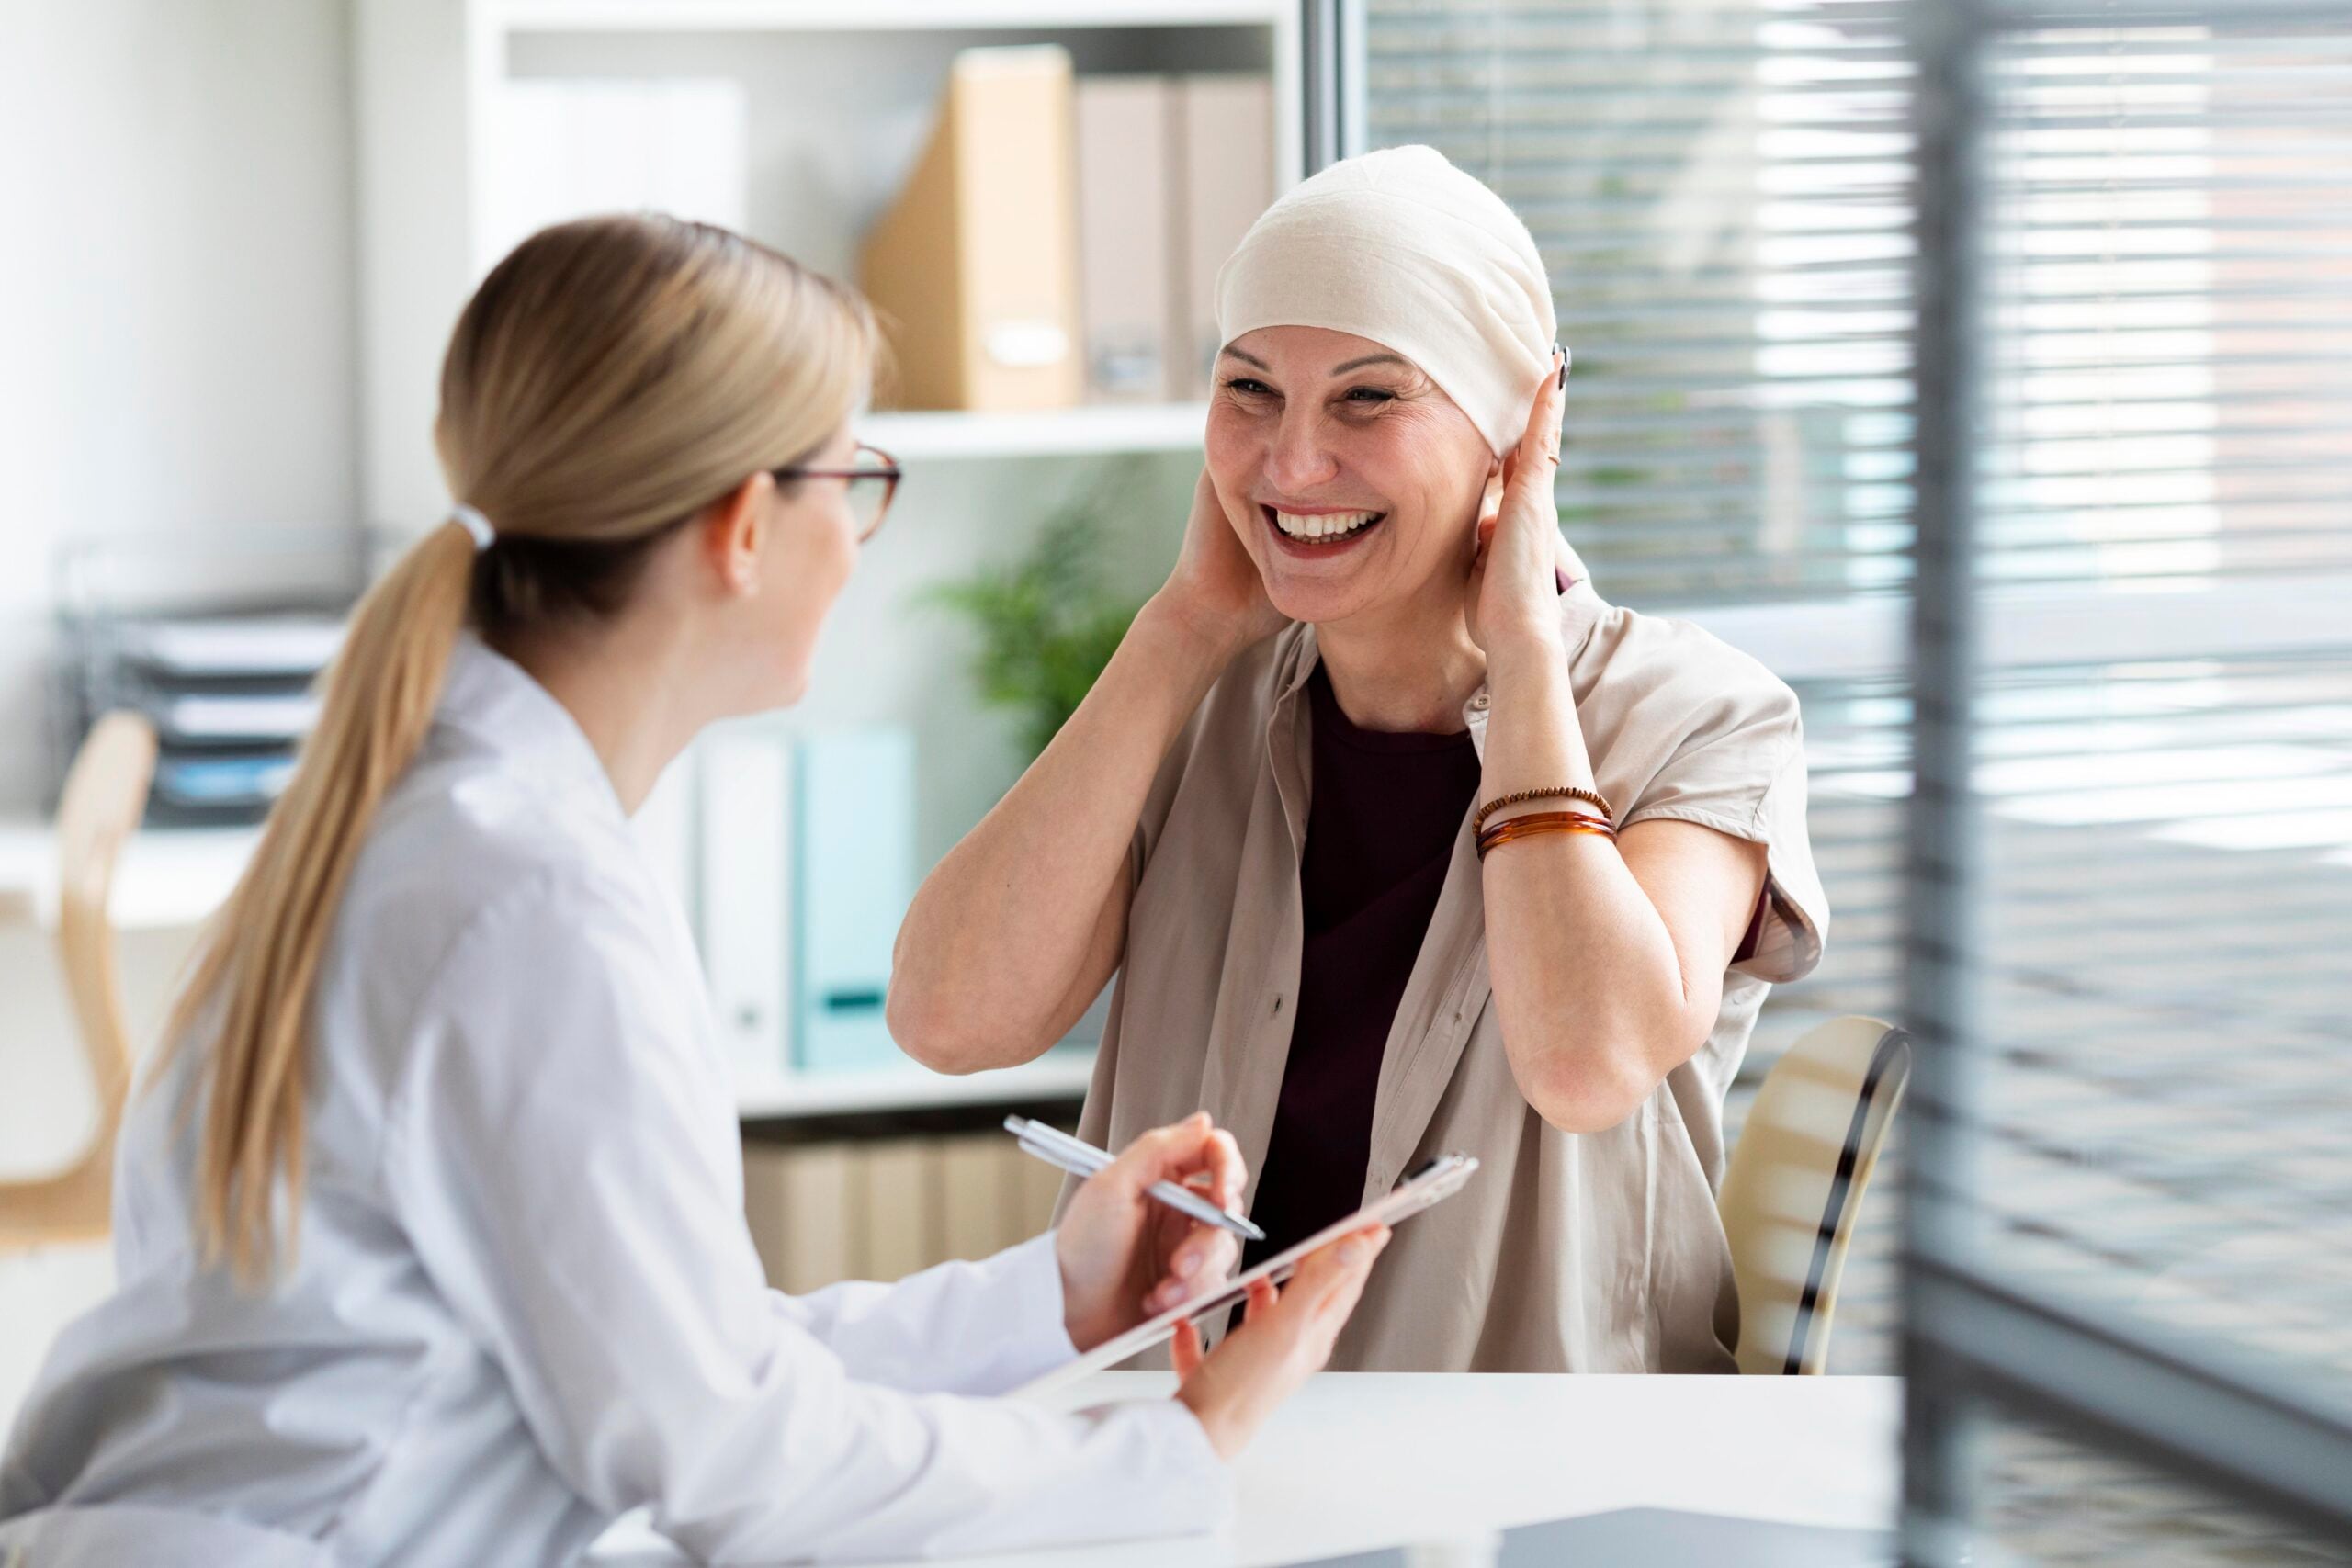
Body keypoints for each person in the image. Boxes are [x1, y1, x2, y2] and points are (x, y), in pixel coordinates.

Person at [0, 216, 1388, 1568]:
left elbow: (671, 1355)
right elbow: (725, 1459)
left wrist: (1053, 1299)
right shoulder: (528, 904)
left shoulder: (429, 820)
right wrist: (1178, 1451)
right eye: (857, 485)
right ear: (741, 528)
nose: (858, 541)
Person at [890, 145, 1829, 1375]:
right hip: (1185, 1458)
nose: (1290, 463)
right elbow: (950, 1022)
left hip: (1523, 1490)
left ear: (1515, 436)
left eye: (1368, 397)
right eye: (1250, 391)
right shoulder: (1198, 699)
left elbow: (1587, 1062)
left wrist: (1524, 655)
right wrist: (1177, 631)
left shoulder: (1697, 717)